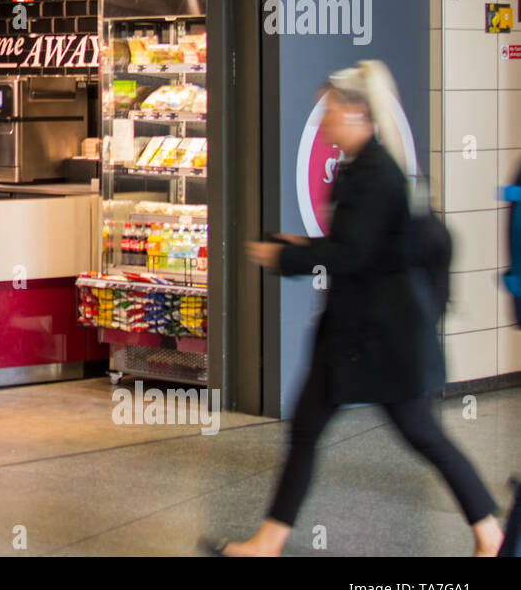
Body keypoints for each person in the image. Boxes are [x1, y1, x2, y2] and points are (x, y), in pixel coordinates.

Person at [205, 60, 502, 556]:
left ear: (359, 112)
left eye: (331, 111)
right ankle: (267, 543)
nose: (323, 122)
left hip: (380, 342)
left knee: (422, 434)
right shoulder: (366, 169)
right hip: (359, 337)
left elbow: (353, 256)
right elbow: (357, 245)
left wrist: (287, 255)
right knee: (308, 430)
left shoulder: (376, 174)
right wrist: (304, 246)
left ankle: (490, 533)